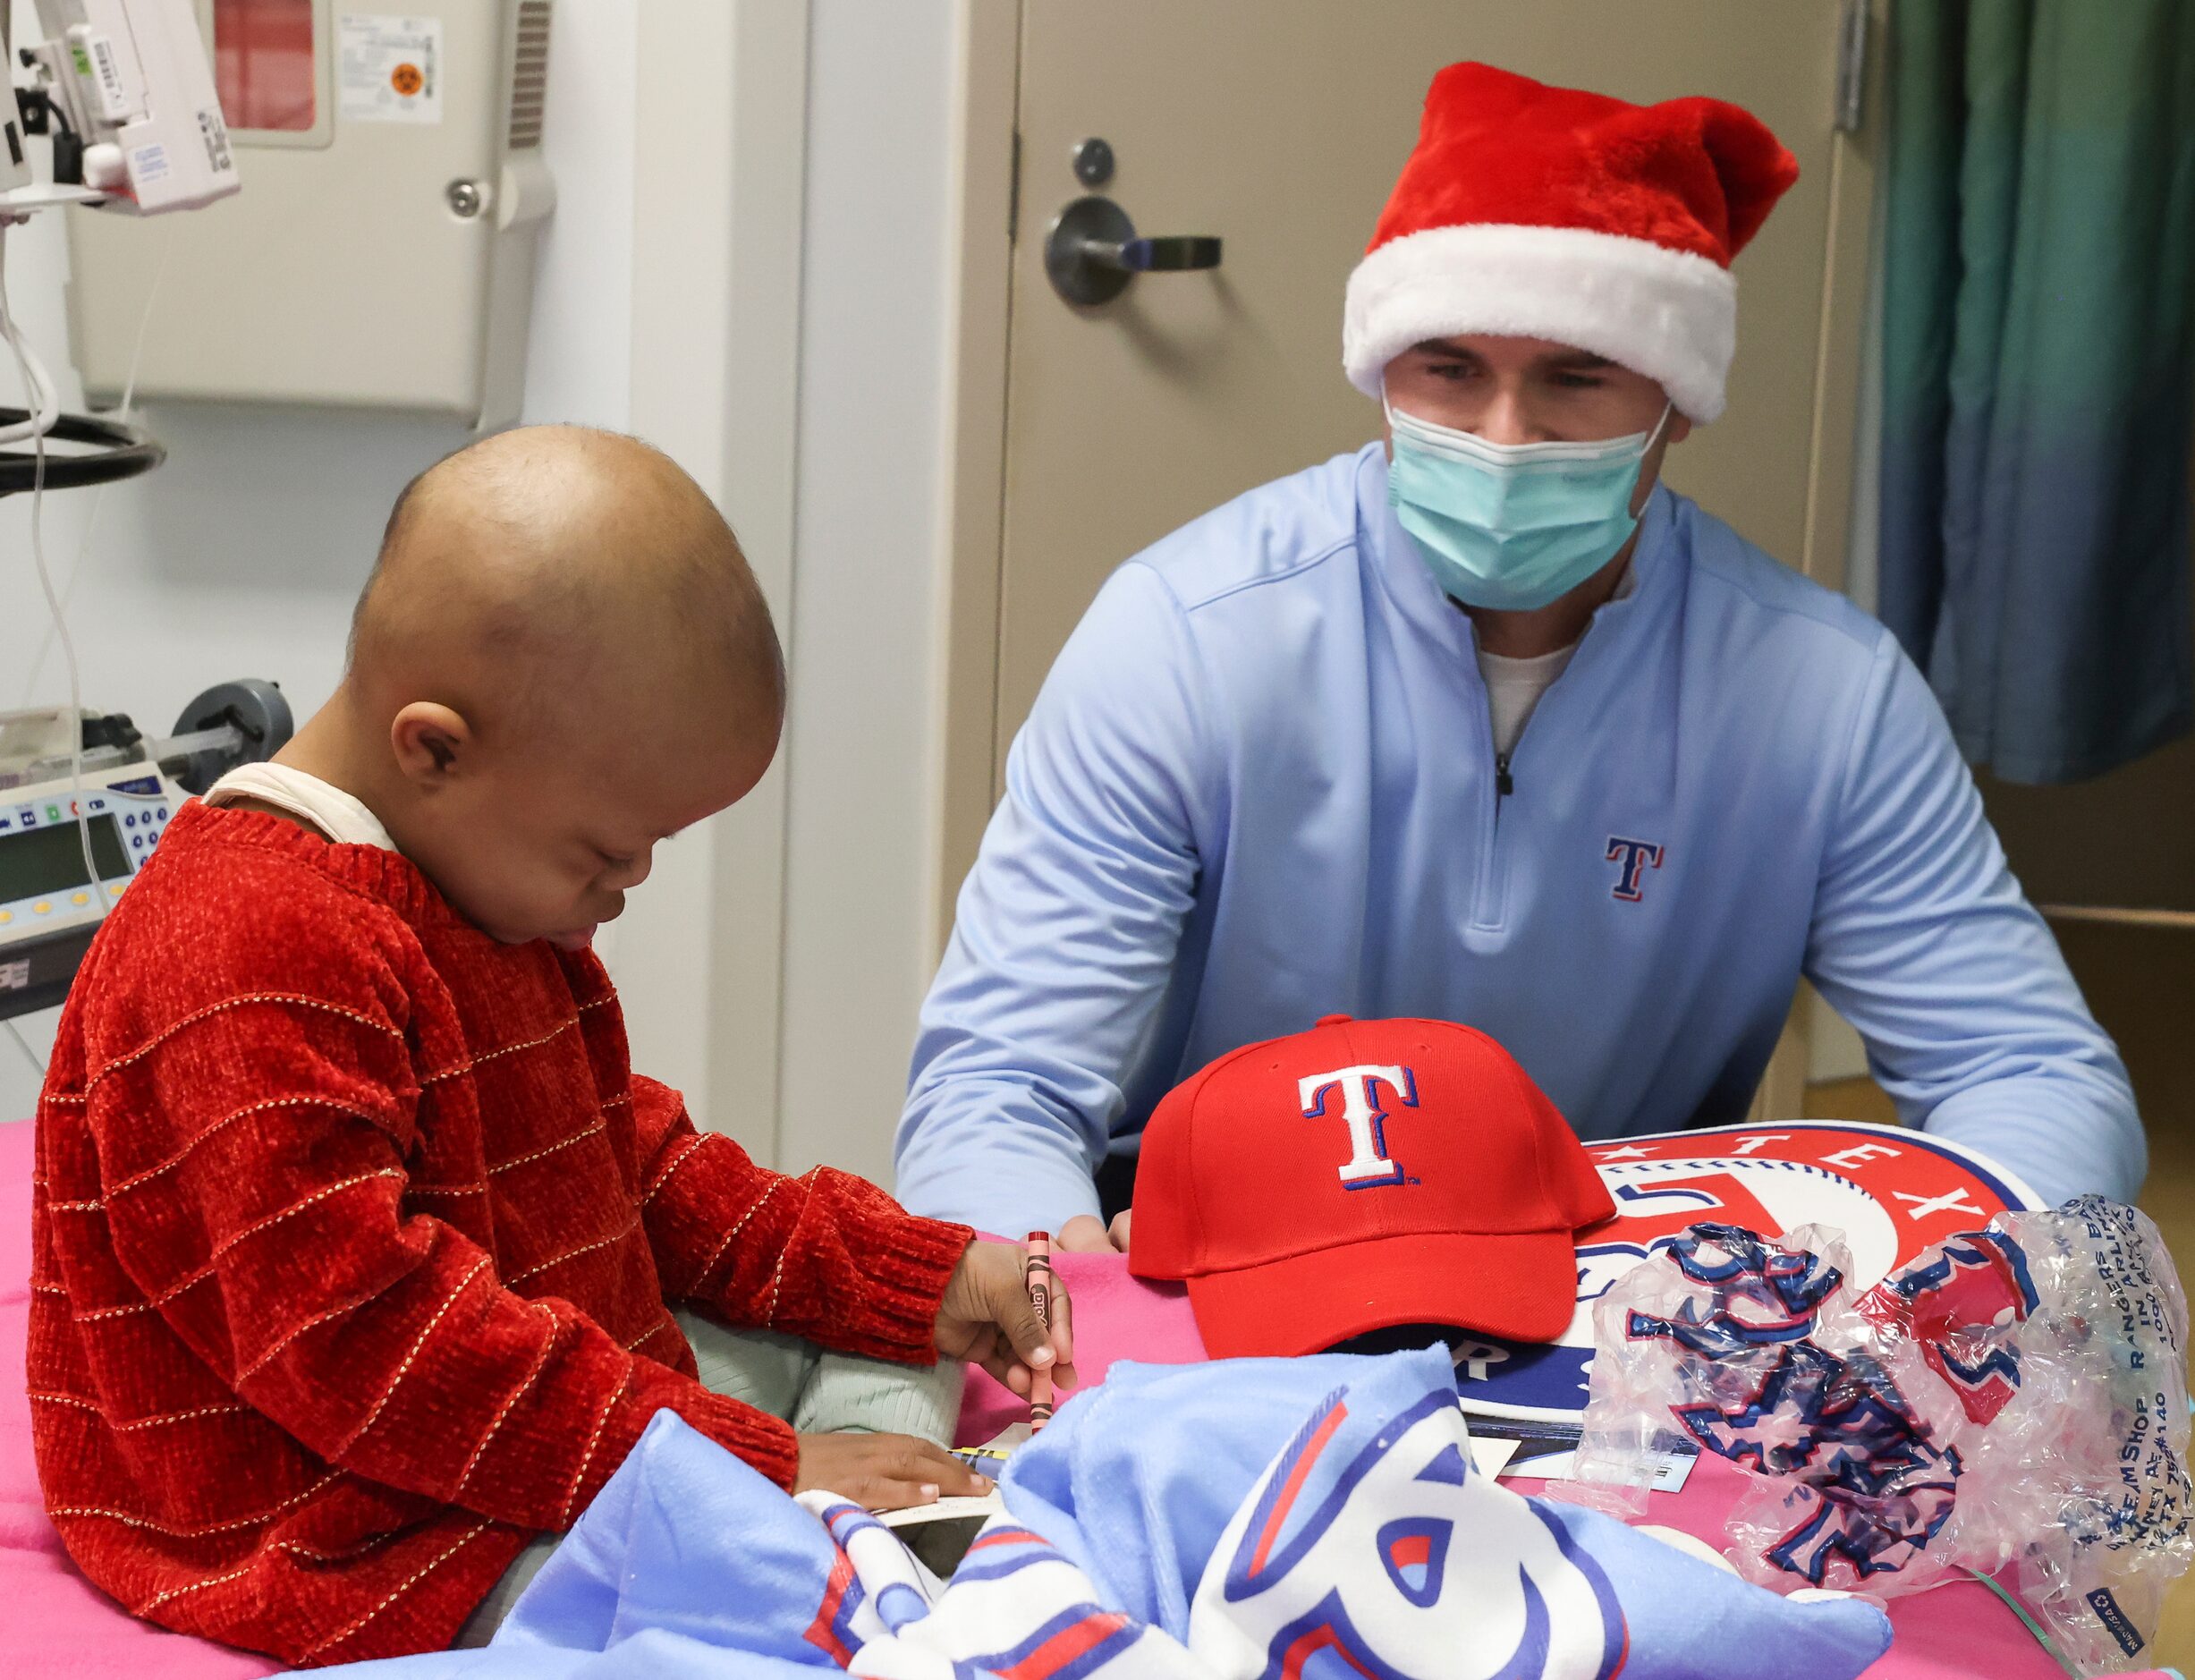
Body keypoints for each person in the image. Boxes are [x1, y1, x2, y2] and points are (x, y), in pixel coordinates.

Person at [895, 62, 2143, 1250]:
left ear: (1675, 397)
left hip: (1620, 1317)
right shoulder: (1183, 636)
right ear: (1381, 368)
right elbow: (994, 1089)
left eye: (1574, 378)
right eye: (1449, 370)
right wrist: (1061, 1292)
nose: (1503, 436)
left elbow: (2027, 1074)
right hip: (1213, 1296)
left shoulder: (1823, 699)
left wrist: (1921, 1275)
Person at [28, 427, 1072, 1665]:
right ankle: (848, 1528)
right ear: (434, 746)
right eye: (606, 850)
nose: (628, 886)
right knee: (771, 1594)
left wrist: (922, 1276)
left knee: (869, 1339)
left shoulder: (479, 879)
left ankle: (864, 1502)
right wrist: (761, 1463)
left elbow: (631, 1166)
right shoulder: (241, 949)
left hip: (513, 1384)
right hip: (346, 1517)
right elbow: (372, 1348)